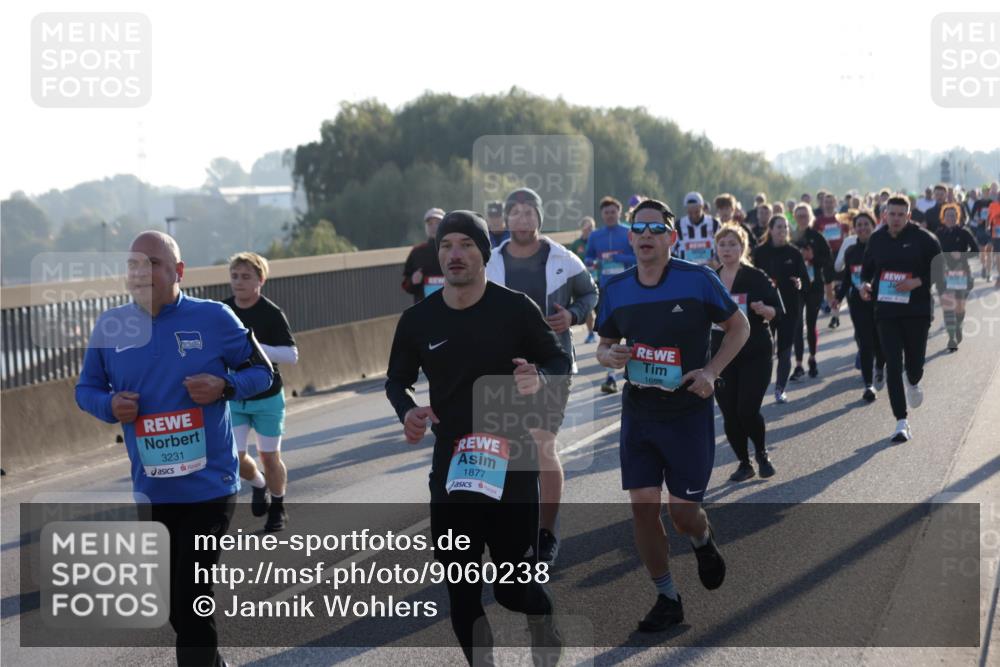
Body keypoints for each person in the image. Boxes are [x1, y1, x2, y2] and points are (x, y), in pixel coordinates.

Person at [75, 231, 274, 667]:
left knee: (191, 592)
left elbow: (265, 373)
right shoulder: (111, 327)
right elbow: (85, 389)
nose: (141, 273)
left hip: (210, 486)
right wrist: (109, 404)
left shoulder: (215, 318)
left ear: (178, 271)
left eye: (153, 264)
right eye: (133, 265)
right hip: (153, 488)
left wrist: (227, 385)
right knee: (173, 604)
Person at [385, 210, 569, 665]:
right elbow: (397, 380)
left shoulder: (515, 309)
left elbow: (557, 362)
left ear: (484, 254)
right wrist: (409, 411)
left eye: (466, 244)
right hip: (453, 465)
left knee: (512, 589)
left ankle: (543, 625)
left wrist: (538, 376)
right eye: (447, 246)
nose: (454, 254)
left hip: (512, 463)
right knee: (462, 590)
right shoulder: (419, 320)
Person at [596, 198, 749, 632]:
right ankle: (667, 597)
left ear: (672, 237)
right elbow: (603, 345)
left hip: (687, 412)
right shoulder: (616, 288)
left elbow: (740, 328)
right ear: (629, 238)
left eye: (655, 229)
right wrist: (610, 356)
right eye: (638, 229)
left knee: (682, 514)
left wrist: (711, 372)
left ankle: (702, 539)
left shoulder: (697, 279)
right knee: (643, 508)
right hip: (640, 411)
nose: (646, 235)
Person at [486, 187, 598, 563]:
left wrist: (573, 316)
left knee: (540, 444)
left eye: (528, 212)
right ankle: (517, 530)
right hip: (503, 368)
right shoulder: (490, 261)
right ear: (505, 219)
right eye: (514, 212)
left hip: (552, 365)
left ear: (539, 217)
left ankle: (547, 532)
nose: (521, 218)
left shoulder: (562, 258)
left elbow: (590, 294)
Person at [860, 196, 945, 443]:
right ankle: (901, 421)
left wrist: (915, 282)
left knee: (914, 365)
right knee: (893, 365)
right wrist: (865, 285)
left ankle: (915, 381)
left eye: (900, 214)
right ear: (884, 215)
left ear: (908, 216)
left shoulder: (924, 239)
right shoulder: (877, 239)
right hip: (886, 311)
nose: (895, 219)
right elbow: (868, 269)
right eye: (891, 214)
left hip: (917, 310)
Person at [224, 252, 298, 531]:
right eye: (234, 276)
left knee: (269, 457)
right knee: (235, 456)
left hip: (267, 397)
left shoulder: (271, 313)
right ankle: (259, 483)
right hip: (234, 396)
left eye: (246, 277)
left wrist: (255, 348)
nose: (239, 282)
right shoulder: (223, 311)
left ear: (260, 280)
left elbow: (291, 354)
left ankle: (278, 506)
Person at [713, 225, 784, 481]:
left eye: (732, 244)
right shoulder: (710, 279)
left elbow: (779, 309)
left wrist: (766, 309)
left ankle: (762, 453)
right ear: (716, 248)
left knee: (747, 409)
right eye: (722, 245)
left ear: (742, 247)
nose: (727, 249)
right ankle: (744, 463)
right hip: (721, 357)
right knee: (730, 413)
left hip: (755, 351)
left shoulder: (756, 277)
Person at [753, 215, 810, 403]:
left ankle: (780, 389)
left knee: (785, 351)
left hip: (789, 309)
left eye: (785, 227)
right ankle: (758, 389)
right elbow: (749, 278)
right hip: (765, 309)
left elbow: (804, 279)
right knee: (764, 352)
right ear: (770, 229)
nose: (783, 230)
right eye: (779, 227)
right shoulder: (759, 253)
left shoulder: (794, 253)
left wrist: (800, 283)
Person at [585, 196, 636, 393]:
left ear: (619, 212)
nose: (609, 215)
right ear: (602, 215)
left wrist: (618, 257)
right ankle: (611, 377)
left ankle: (638, 373)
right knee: (608, 336)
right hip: (606, 289)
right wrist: (594, 262)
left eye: (613, 212)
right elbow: (588, 257)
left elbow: (637, 255)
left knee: (632, 332)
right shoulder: (595, 236)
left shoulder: (628, 232)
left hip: (629, 287)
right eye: (606, 212)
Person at [831, 211, 884, 402]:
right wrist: (838, 297)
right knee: (864, 342)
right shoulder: (851, 251)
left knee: (879, 339)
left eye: (865, 224)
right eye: (858, 225)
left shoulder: (880, 247)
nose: (862, 228)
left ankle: (880, 365)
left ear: (873, 225)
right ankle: (868, 384)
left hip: (879, 301)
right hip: (857, 302)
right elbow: (846, 278)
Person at [792, 204, 836, 379]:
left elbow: (827, 259)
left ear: (810, 217)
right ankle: (798, 364)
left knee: (811, 323)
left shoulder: (817, 237)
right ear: (795, 217)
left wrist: (813, 258)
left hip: (814, 286)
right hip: (796, 286)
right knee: (796, 325)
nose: (802, 218)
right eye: (799, 215)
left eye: (805, 215)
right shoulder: (791, 237)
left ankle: (812, 358)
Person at [934, 203, 979, 351]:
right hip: (943, 275)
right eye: (948, 216)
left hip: (961, 273)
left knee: (959, 308)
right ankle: (951, 337)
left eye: (953, 216)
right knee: (948, 307)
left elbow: (976, 250)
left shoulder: (964, 232)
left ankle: (958, 325)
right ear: (943, 218)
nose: (951, 218)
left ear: (957, 217)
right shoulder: (938, 234)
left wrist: (962, 255)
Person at [402, 208, 446, 303]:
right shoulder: (417, 252)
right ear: (425, 227)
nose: (433, 227)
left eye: (437, 223)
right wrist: (413, 281)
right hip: (424, 312)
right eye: (430, 224)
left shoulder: (454, 251)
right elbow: (406, 285)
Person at [567, 216, 599, 343]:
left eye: (591, 227)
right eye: (587, 227)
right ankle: (591, 333)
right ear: (582, 228)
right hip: (584, 280)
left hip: (600, 278)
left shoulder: (598, 241)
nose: (589, 229)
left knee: (603, 308)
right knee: (589, 308)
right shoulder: (576, 244)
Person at [674, 192, 721, 267]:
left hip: (709, 269)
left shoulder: (714, 224)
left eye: (697, 212)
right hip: (686, 269)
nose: (693, 216)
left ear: (702, 207)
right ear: (686, 209)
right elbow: (672, 249)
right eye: (690, 212)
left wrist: (716, 262)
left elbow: (721, 245)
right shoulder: (678, 225)